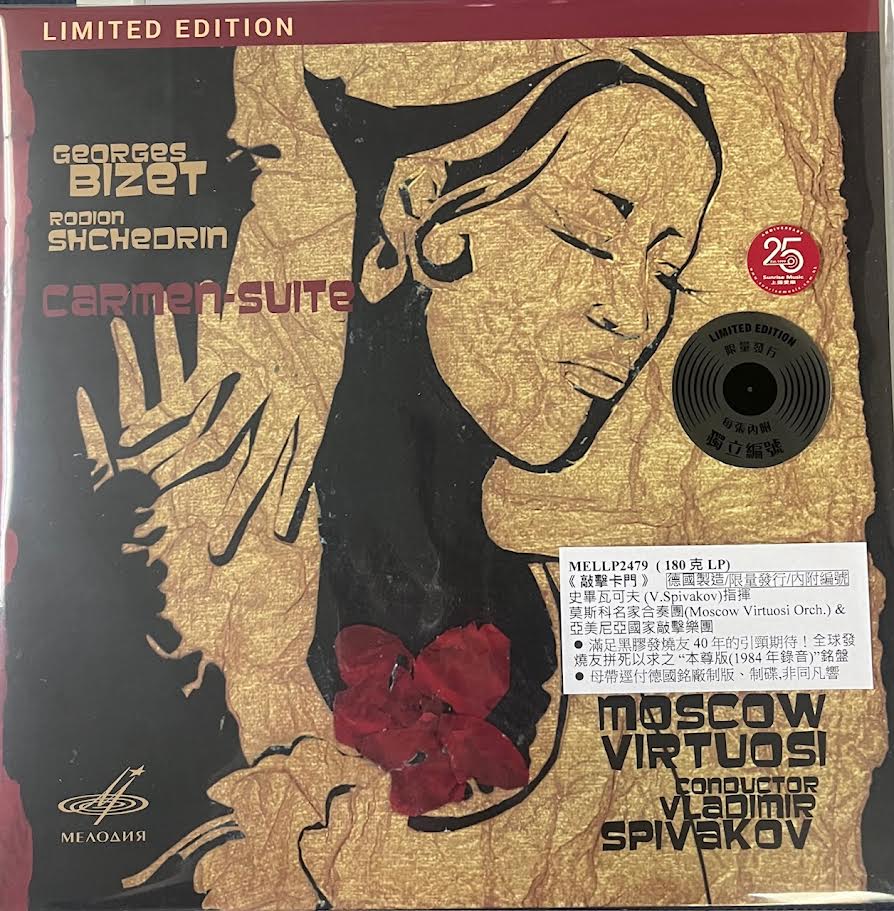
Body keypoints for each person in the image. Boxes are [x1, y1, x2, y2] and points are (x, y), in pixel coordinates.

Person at [77, 47, 722, 899]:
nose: (637, 314)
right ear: (424, 212)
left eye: (667, 270)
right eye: (591, 234)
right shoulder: (190, 578)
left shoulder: (588, 618)